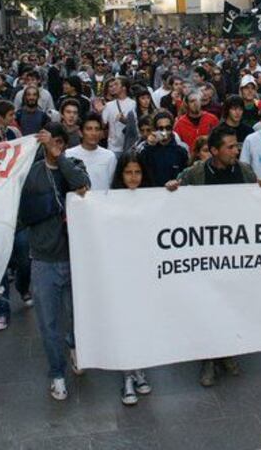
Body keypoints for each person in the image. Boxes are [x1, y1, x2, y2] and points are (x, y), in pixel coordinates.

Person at [165, 126, 261, 387]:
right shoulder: (196, 173)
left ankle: (227, 352)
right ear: (214, 151)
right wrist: (173, 187)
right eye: (231, 147)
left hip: (234, 253)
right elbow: (175, 196)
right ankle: (208, 359)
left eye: (237, 146)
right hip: (205, 253)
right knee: (208, 305)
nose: (236, 151)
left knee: (231, 303)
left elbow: (257, 200)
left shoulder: (243, 171)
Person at [21, 124, 90, 401]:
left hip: (75, 257)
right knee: (49, 322)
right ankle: (57, 374)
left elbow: (82, 185)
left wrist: (58, 157)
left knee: (76, 315)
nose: (56, 146)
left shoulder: (73, 163)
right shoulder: (33, 173)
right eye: (51, 142)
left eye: (60, 142)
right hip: (43, 260)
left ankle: (74, 347)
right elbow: (24, 212)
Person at [110, 154, 154, 404]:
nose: (133, 177)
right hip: (121, 272)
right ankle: (127, 375)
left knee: (141, 322)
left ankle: (139, 369)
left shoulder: (150, 198)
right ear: (121, 175)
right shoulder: (110, 201)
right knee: (125, 323)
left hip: (144, 272)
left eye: (138, 172)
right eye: (128, 173)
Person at [0, 125, 32, 332]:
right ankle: (3, 312)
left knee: (24, 264)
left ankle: (23, 288)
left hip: (18, 225)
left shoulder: (17, 161)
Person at [66, 113, 117, 192]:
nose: (93, 133)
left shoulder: (109, 156)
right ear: (80, 132)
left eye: (97, 129)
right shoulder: (69, 154)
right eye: (89, 129)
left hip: (103, 202)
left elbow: (112, 184)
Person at [137, 111, 189, 187]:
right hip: (152, 193)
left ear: (172, 128)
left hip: (175, 192)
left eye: (168, 128)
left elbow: (186, 176)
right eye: (160, 128)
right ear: (155, 129)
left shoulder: (181, 150)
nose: (164, 132)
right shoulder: (146, 149)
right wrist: (149, 146)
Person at [101, 76, 138, 156]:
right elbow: (103, 125)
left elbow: (137, 125)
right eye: (112, 85)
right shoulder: (108, 105)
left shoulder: (133, 104)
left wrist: (126, 121)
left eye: (116, 84)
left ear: (124, 88)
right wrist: (99, 112)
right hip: (112, 148)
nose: (113, 87)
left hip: (129, 146)